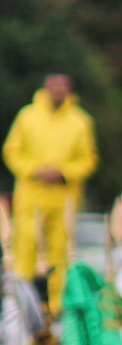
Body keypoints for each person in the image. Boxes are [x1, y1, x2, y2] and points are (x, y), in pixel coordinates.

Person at [3, 74, 92, 295]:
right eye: (54, 86)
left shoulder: (80, 121)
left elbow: (88, 160)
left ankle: (56, 306)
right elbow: (12, 151)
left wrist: (63, 173)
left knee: (60, 254)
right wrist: (35, 170)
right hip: (31, 196)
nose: (58, 91)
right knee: (25, 249)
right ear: (45, 88)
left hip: (63, 199)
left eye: (63, 86)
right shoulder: (28, 116)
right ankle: (24, 302)